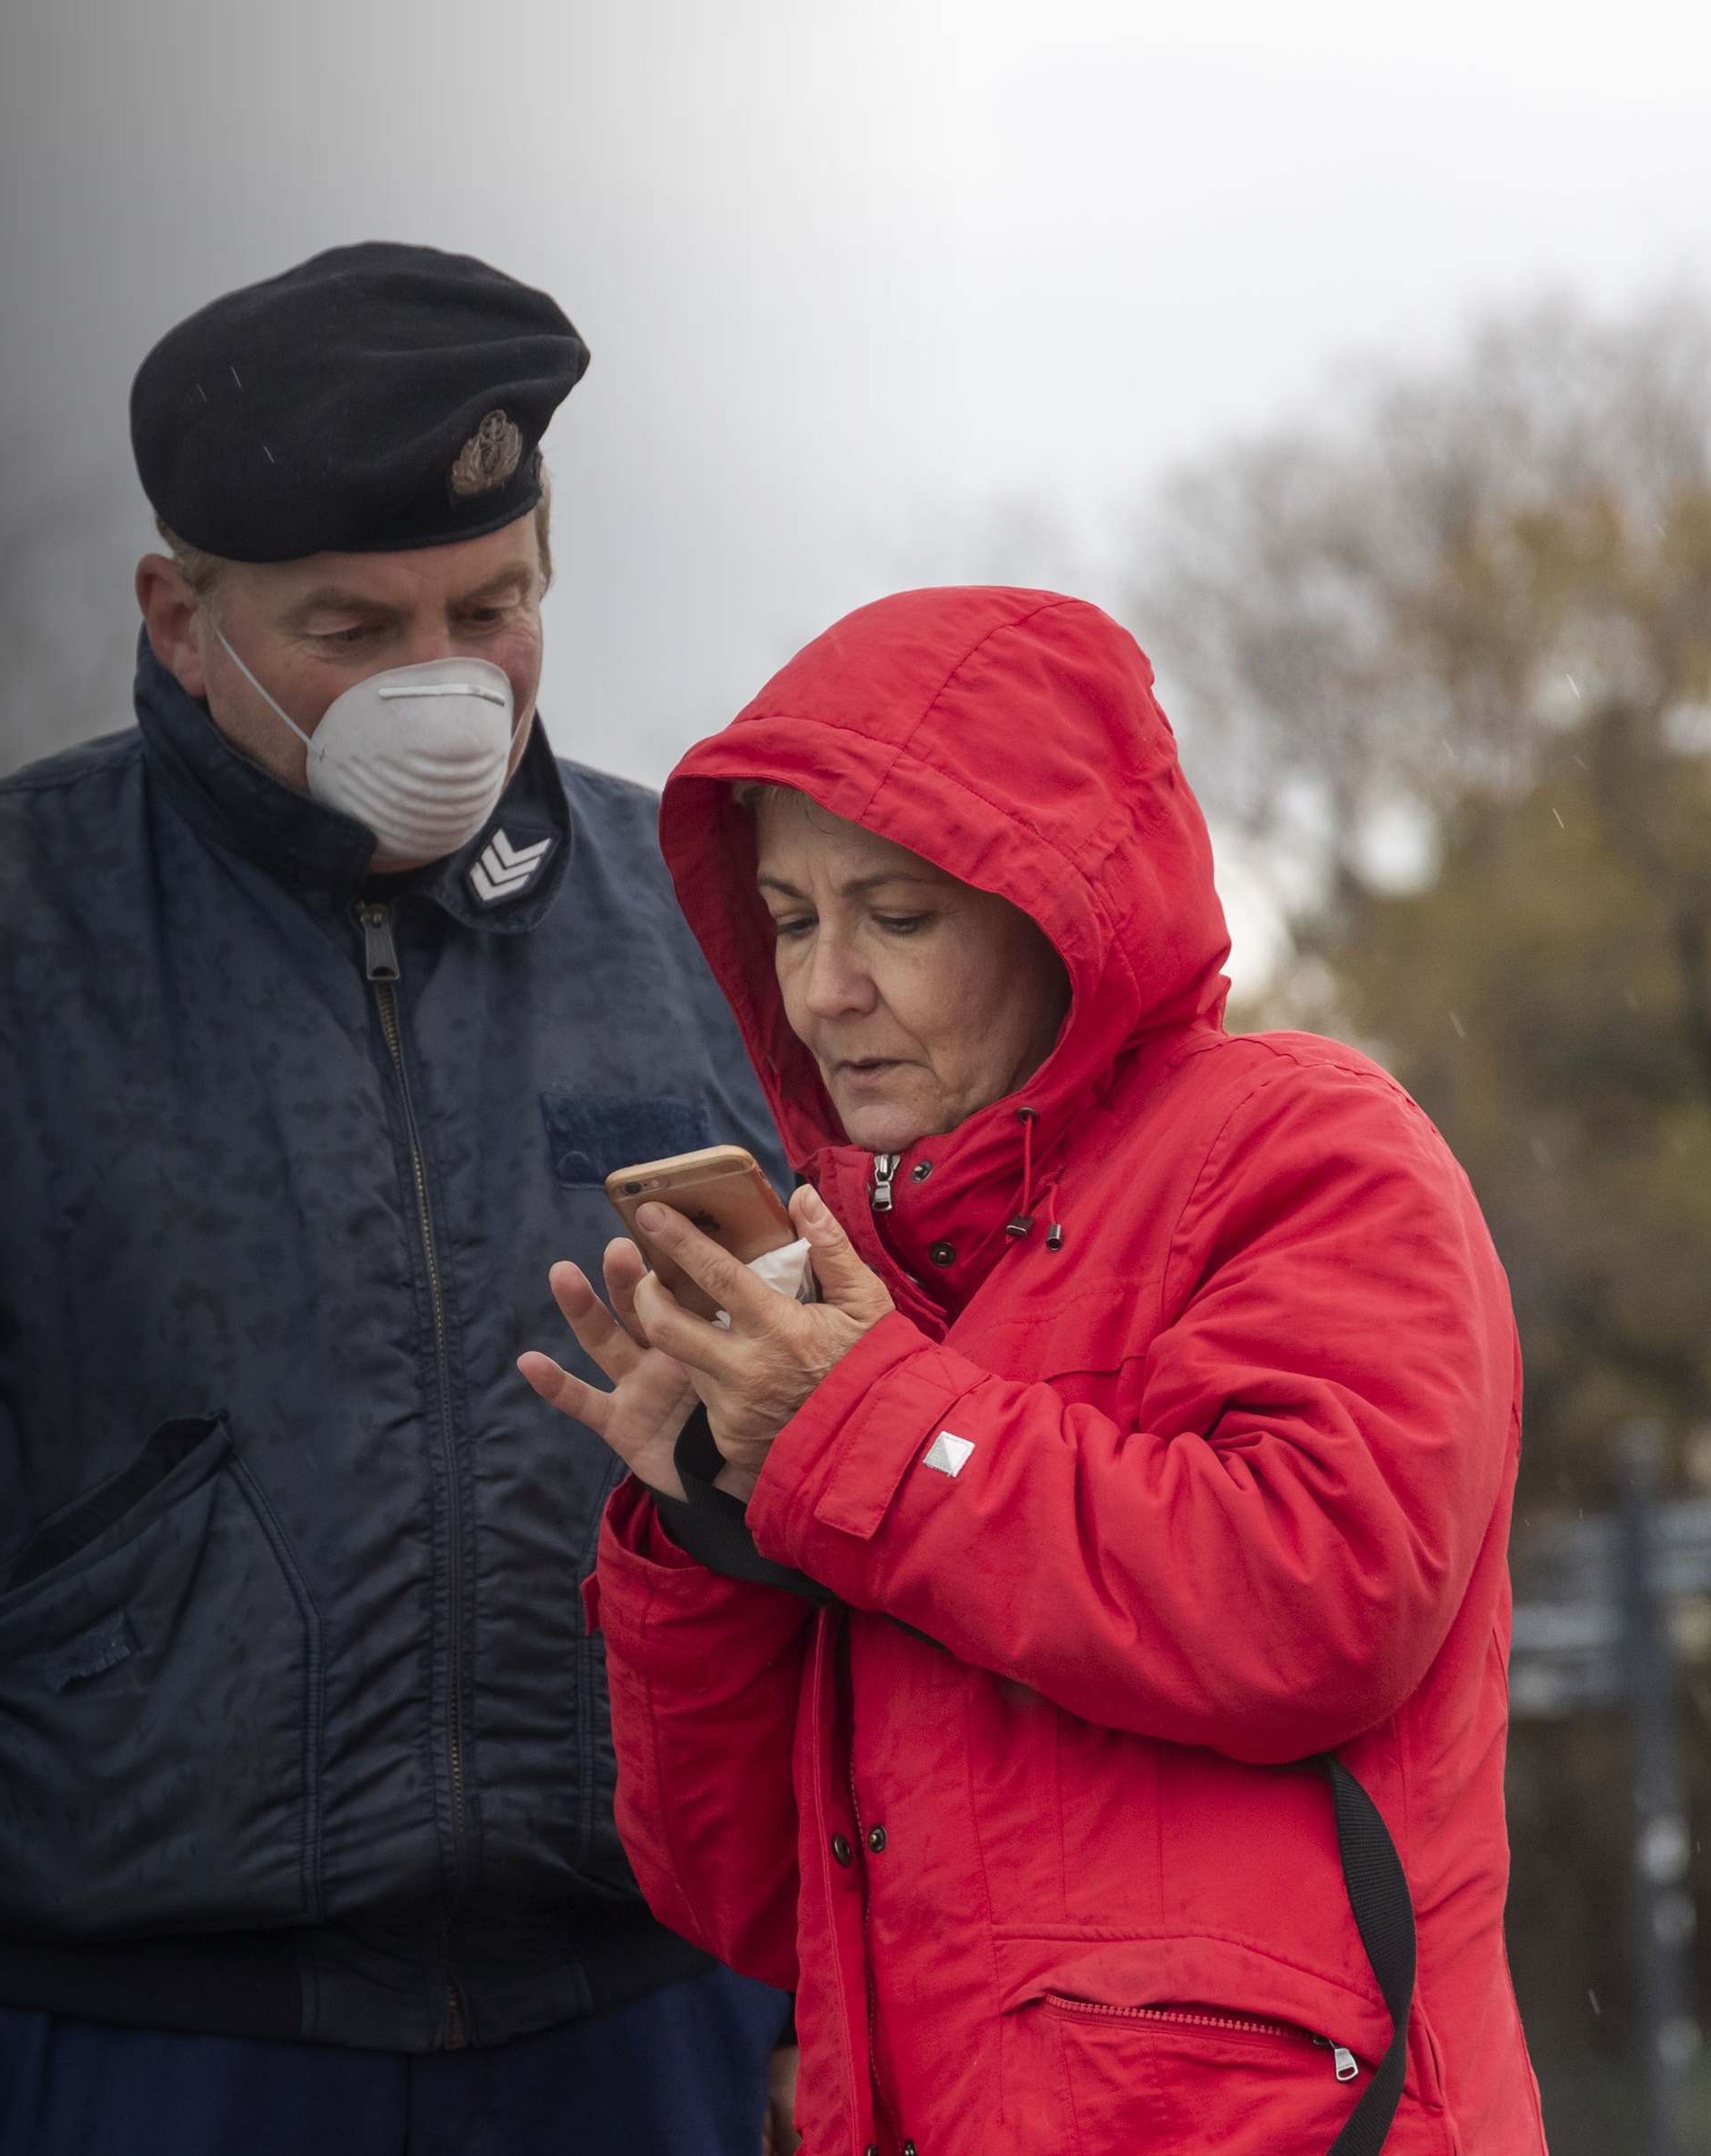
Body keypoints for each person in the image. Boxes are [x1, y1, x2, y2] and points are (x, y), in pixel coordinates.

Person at [0, 243, 795, 2156]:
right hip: (117, 2047)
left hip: (653, 2036)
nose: (441, 684)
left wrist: (838, 1979)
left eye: (492, 604)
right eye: (349, 629)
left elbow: (869, 1496)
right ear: (177, 609)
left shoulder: (721, 935)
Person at [522, 586, 1548, 2153]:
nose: (825, 991)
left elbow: (1323, 1598)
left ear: (1067, 912)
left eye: (899, 917)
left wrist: (862, 1430)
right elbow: (745, 1903)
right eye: (792, 921)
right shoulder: (865, 1282)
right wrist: (719, 1525)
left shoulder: (1304, 1138)